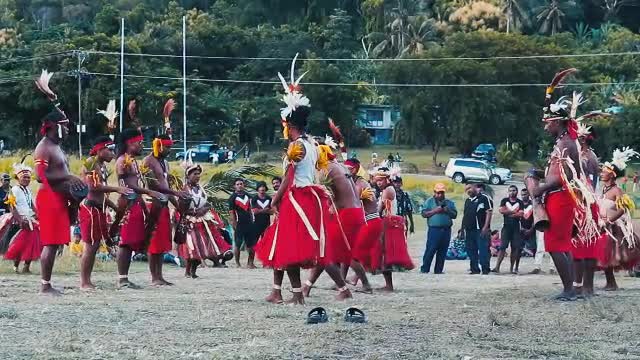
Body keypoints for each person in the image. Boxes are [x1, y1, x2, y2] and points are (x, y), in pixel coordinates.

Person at [255, 55, 330, 304]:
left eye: (284, 124)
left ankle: (297, 295)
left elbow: (288, 178)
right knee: (279, 240)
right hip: (309, 196)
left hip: (297, 197)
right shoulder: (313, 144)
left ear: (289, 124)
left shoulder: (297, 146)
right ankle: (277, 291)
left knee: (289, 246)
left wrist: (274, 201)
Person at [526, 71, 592, 301]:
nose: (545, 128)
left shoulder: (565, 144)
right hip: (560, 197)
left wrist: (539, 188)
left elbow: (560, 179)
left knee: (554, 244)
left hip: (560, 197)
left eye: (548, 123)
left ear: (556, 122)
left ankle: (569, 289)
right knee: (561, 244)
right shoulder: (563, 142)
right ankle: (571, 288)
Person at [302, 148, 363, 300]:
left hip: (345, 214)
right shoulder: (340, 166)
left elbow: (324, 194)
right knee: (328, 253)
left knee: (325, 253)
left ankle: (344, 290)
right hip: (354, 213)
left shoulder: (326, 169)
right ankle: (307, 287)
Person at [113, 128, 167, 289]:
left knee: (130, 243)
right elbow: (128, 185)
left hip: (136, 203)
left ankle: (125, 278)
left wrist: (143, 204)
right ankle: (122, 279)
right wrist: (149, 192)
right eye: (139, 142)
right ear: (130, 143)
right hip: (127, 204)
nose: (142, 145)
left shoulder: (132, 160)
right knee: (125, 242)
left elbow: (136, 184)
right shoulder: (122, 160)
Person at [79, 136, 132, 289]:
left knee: (95, 246)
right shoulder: (91, 163)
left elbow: (101, 194)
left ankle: (87, 280)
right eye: (109, 150)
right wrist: (117, 189)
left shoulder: (101, 165)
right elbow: (93, 187)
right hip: (90, 210)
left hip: (99, 209)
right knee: (91, 246)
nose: (112, 154)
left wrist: (115, 208)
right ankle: (84, 282)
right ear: (100, 150)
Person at [143, 132, 191, 285]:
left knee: (163, 242)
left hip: (164, 205)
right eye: (168, 147)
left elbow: (166, 186)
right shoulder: (147, 161)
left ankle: (160, 276)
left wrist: (178, 206)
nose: (170, 150)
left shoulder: (165, 163)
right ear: (159, 146)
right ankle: (154, 277)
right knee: (154, 242)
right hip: (153, 204)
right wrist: (175, 193)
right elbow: (153, 185)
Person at [178, 164, 233, 278]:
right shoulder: (185, 189)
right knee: (193, 247)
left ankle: (192, 271)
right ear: (188, 176)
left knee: (204, 248)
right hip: (190, 221)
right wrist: (194, 212)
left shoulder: (201, 189)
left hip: (203, 221)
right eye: (195, 174)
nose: (197, 176)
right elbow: (181, 208)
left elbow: (207, 204)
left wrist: (204, 209)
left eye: (198, 174)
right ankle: (188, 271)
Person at [598, 148, 640, 291]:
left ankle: (612, 283)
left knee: (609, 254)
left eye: (605, 171)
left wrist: (609, 221)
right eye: (602, 170)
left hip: (612, 227)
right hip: (603, 225)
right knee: (604, 254)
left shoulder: (617, 190)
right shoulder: (604, 190)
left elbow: (624, 208)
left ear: (612, 174)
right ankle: (610, 283)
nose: (602, 173)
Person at [371, 166, 414, 291]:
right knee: (383, 254)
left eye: (381, 180)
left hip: (387, 224)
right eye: (377, 180)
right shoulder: (387, 189)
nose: (378, 182)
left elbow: (380, 211)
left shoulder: (388, 191)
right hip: (387, 223)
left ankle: (358, 278)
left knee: (383, 253)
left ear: (387, 179)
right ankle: (386, 284)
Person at [0, 163, 41, 273]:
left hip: (30, 219)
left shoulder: (27, 190)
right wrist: (20, 220)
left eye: (28, 177)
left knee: (33, 243)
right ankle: (16, 266)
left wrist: (38, 215)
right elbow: (12, 206)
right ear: (18, 178)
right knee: (20, 245)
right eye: (24, 177)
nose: (27, 179)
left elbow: (31, 204)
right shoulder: (14, 190)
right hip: (20, 221)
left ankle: (26, 267)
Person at [420, 183, 457, 274]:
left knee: (443, 250)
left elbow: (454, 215)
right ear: (434, 192)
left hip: (446, 230)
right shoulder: (429, 202)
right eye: (438, 193)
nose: (440, 195)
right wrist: (435, 210)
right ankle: (425, 268)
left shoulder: (449, 202)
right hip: (434, 230)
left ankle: (438, 270)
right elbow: (424, 214)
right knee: (430, 249)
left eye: (442, 193)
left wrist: (447, 210)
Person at [492, 185, 524, 274]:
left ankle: (511, 268)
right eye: (510, 190)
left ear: (517, 192)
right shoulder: (504, 200)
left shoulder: (520, 202)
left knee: (515, 248)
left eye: (514, 190)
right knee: (502, 247)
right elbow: (501, 210)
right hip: (506, 227)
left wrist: (509, 213)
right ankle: (497, 267)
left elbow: (521, 214)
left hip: (516, 227)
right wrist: (514, 212)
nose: (512, 192)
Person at [462, 183, 492, 275]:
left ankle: (485, 269)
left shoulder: (484, 198)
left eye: (470, 188)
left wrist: (485, 227)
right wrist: (462, 229)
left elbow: (489, 212)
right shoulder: (467, 201)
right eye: (466, 189)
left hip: (480, 229)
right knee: (471, 250)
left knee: (483, 249)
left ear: (475, 187)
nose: (469, 191)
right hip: (469, 230)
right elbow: (465, 216)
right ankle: (474, 269)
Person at [228, 178, 256, 268]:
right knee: (238, 243)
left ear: (244, 185)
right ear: (234, 186)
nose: (240, 185)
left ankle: (250, 263)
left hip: (249, 223)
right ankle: (237, 263)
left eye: (241, 184)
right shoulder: (232, 198)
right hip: (239, 224)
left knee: (251, 244)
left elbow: (251, 209)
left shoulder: (248, 196)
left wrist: (253, 221)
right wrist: (233, 223)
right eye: (237, 184)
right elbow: (231, 212)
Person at [519, 188, 535, 263]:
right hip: (520, 229)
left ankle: (536, 264)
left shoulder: (533, 204)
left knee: (534, 247)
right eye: (522, 195)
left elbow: (536, 217)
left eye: (525, 194)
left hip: (531, 228)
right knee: (518, 247)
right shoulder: (519, 204)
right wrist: (520, 228)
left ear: (528, 194)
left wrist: (531, 229)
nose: (523, 196)